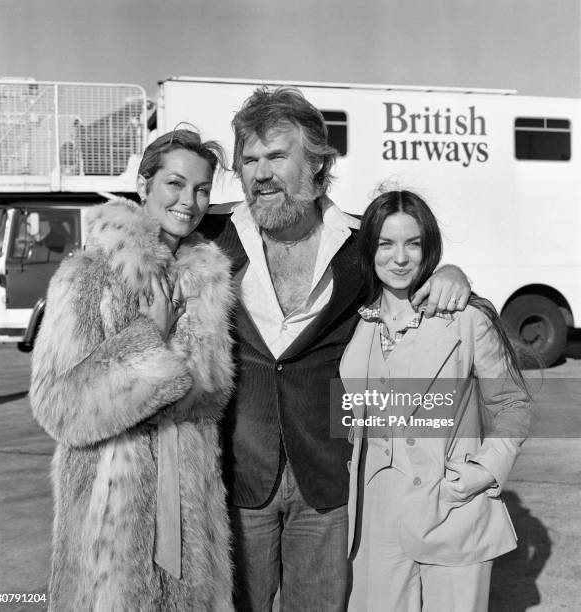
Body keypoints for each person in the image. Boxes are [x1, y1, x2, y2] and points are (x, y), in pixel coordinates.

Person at [198, 87, 471, 611]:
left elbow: (411, 270)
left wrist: (454, 273)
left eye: (277, 156)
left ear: (318, 166)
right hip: (237, 474)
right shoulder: (213, 236)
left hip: (328, 478)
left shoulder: (358, 244)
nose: (260, 173)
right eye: (249, 160)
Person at [29, 130, 235, 611]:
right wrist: (147, 341)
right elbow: (58, 407)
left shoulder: (206, 282)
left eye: (202, 189)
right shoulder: (89, 275)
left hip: (191, 506)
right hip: (111, 517)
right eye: (175, 183)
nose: (189, 201)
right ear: (144, 185)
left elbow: (213, 399)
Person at [341, 190, 531, 612]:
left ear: (429, 248)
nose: (400, 257)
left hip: (449, 506)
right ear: (369, 248)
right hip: (374, 520)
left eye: (413, 243)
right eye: (386, 243)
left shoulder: (466, 317)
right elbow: (350, 416)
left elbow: (511, 405)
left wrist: (485, 469)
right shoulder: (357, 323)